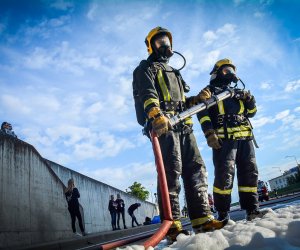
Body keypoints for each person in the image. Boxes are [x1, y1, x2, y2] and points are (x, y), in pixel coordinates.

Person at [132, 26, 226, 241]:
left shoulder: (175, 72)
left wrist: (197, 100)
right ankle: (172, 225)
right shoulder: (145, 68)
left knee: (196, 169)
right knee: (171, 172)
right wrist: (156, 115)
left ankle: (202, 219)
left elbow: (183, 102)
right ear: (150, 46)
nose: (165, 45)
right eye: (159, 41)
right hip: (164, 125)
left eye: (167, 41)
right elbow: (147, 93)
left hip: (184, 125)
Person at [197, 58, 268, 221]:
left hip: (245, 138)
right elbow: (202, 113)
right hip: (223, 140)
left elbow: (252, 112)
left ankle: (252, 210)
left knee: (250, 174)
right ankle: (222, 214)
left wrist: (250, 100)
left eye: (232, 70)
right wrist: (209, 133)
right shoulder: (209, 92)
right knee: (224, 176)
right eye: (226, 70)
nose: (230, 73)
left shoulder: (238, 92)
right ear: (216, 73)